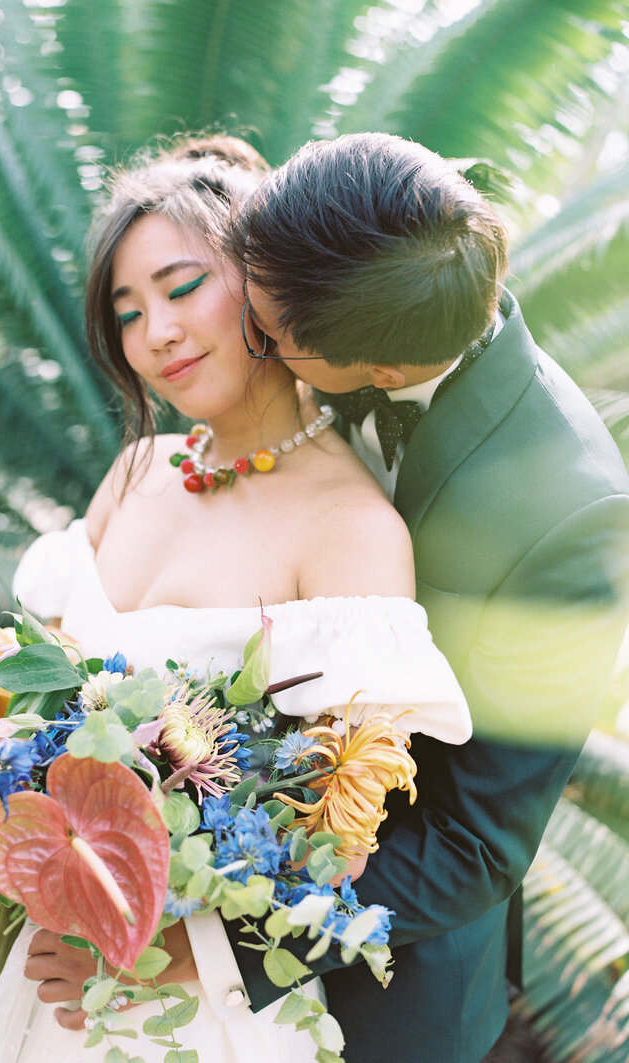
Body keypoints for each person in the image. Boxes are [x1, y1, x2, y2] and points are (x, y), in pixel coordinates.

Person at [0, 136, 472, 1063]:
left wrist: (169, 956)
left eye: (182, 286)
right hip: (51, 973)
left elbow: (345, 843)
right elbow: (32, 714)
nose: (155, 331)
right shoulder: (133, 473)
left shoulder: (349, 527)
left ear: (264, 283)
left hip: (197, 1009)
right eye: (127, 310)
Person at [219, 132, 629, 1063]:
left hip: (377, 998)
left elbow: (476, 842)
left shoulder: (571, 515)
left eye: (268, 335)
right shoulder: (349, 251)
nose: (251, 346)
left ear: (384, 372)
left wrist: (233, 937)